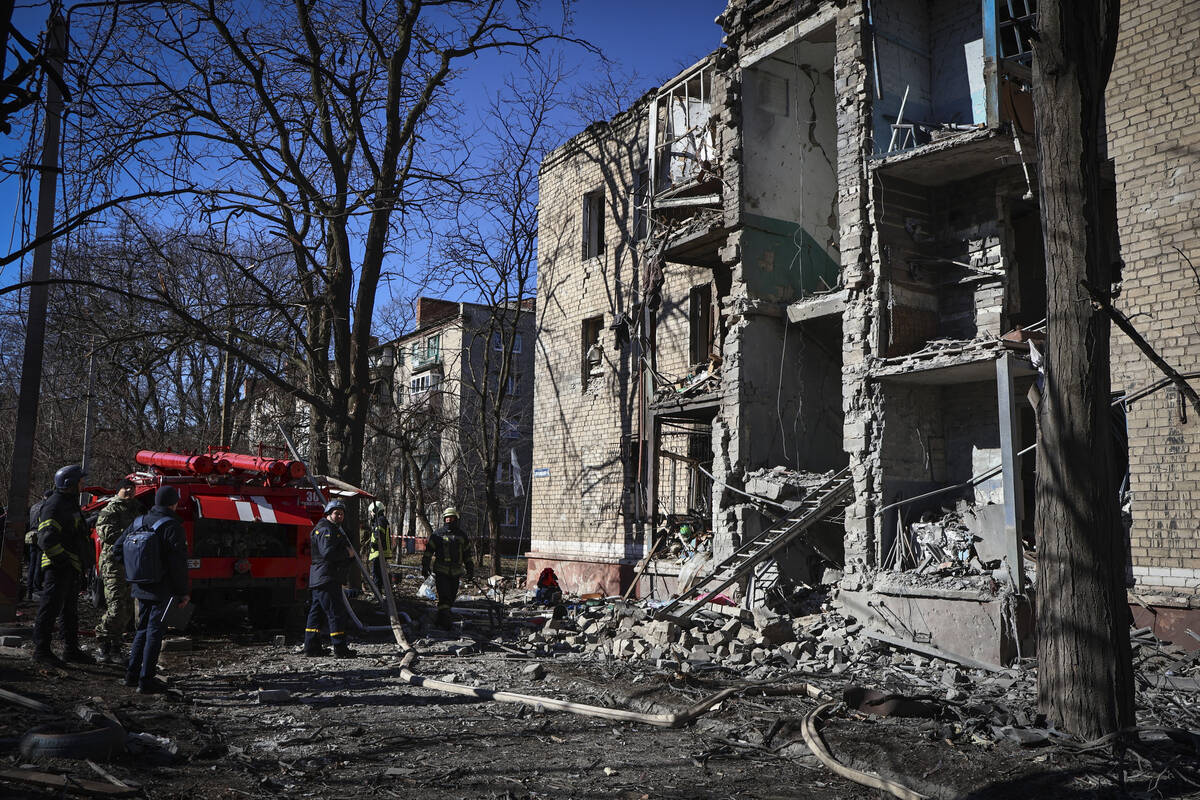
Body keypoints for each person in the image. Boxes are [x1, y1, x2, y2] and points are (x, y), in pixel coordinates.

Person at [114, 485, 189, 694]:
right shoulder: (172, 525)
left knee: (142, 630)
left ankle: (131, 676)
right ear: (174, 503)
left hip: (139, 585)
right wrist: (182, 591)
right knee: (155, 633)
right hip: (161, 588)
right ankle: (146, 681)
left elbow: (117, 550)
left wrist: (135, 571)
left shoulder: (138, 521)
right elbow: (178, 563)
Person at [32, 465, 96, 667]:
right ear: (69, 484)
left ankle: (71, 650)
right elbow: (46, 538)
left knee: (69, 611)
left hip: (70, 567)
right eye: (80, 481)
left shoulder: (69, 504)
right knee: (49, 609)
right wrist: (62, 562)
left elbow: (75, 531)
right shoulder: (55, 505)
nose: (82, 484)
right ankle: (41, 651)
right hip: (58, 567)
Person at [303, 499, 356, 658]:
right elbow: (328, 553)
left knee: (317, 613)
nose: (339, 516)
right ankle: (340, 648)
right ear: (328, 513)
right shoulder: (326, 530)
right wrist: (347, 554)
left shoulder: (331, 528)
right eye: (336, 513)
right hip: (326, 577)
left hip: (321, 577)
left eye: (341, 514)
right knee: (336, 613)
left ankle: (311, 647)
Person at [94, 479, 140, 664]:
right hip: (113, 564)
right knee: (116, 607)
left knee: (127, 608)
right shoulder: (110, 509)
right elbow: (107, 534)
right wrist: (133, 533)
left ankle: (115, 646)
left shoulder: (136, 509)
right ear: (118, 490)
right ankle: (103, 641)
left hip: (129, 564)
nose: (129, 491)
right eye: (125, 488)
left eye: (132, 488)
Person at [422, 507, 473, 628]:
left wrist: (470, 570)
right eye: (447, 518)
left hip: (455, 573)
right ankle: (444, 621)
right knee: (444, 596)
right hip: (441, 571)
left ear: (456, 519)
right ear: (444, 519)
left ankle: (443, 618)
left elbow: (467, 555)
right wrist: (425, 566)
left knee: (451, 597)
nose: (449, 520)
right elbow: (428, 552)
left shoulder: (461, 536)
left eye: (452, 518)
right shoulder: (437, 534)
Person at [24, 489, 52, 601]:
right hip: (39, 535)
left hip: (30, 535)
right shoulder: (46, 506)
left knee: (31, 564)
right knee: (38, 563)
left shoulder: (34, 506)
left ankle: (29, 589)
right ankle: (36, 588)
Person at [364, 501, 391, 596]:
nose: (371, 514)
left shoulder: (379, 521)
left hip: (379, 552)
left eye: (371, 512)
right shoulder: (382, 520)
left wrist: (373, 544)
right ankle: (381, 594)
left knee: (376, 575)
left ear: (375, 510)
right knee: (380, 574)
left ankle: (377, 596)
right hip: (381, 553)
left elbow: (378, 534)